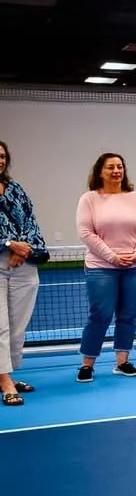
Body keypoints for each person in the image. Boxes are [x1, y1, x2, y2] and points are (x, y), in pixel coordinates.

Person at [75, 152, 136, 381]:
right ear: (100, 171)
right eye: (110, 167)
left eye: (120, 166)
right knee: (100, 314)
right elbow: (86, 233)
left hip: (135, 267)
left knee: (128, 315)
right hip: (101, 267)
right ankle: (87, 364)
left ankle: (122, 361)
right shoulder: (88, 199)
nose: (116, 171)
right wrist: (113, 257)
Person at [0, 140, 50, 406]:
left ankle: (6, 373)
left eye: (2, 156)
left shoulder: (16, 189)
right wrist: (8, 244)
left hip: (24, 265)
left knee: (18, 328)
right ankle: (5, 382)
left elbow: (31, 221)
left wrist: (23, 250)